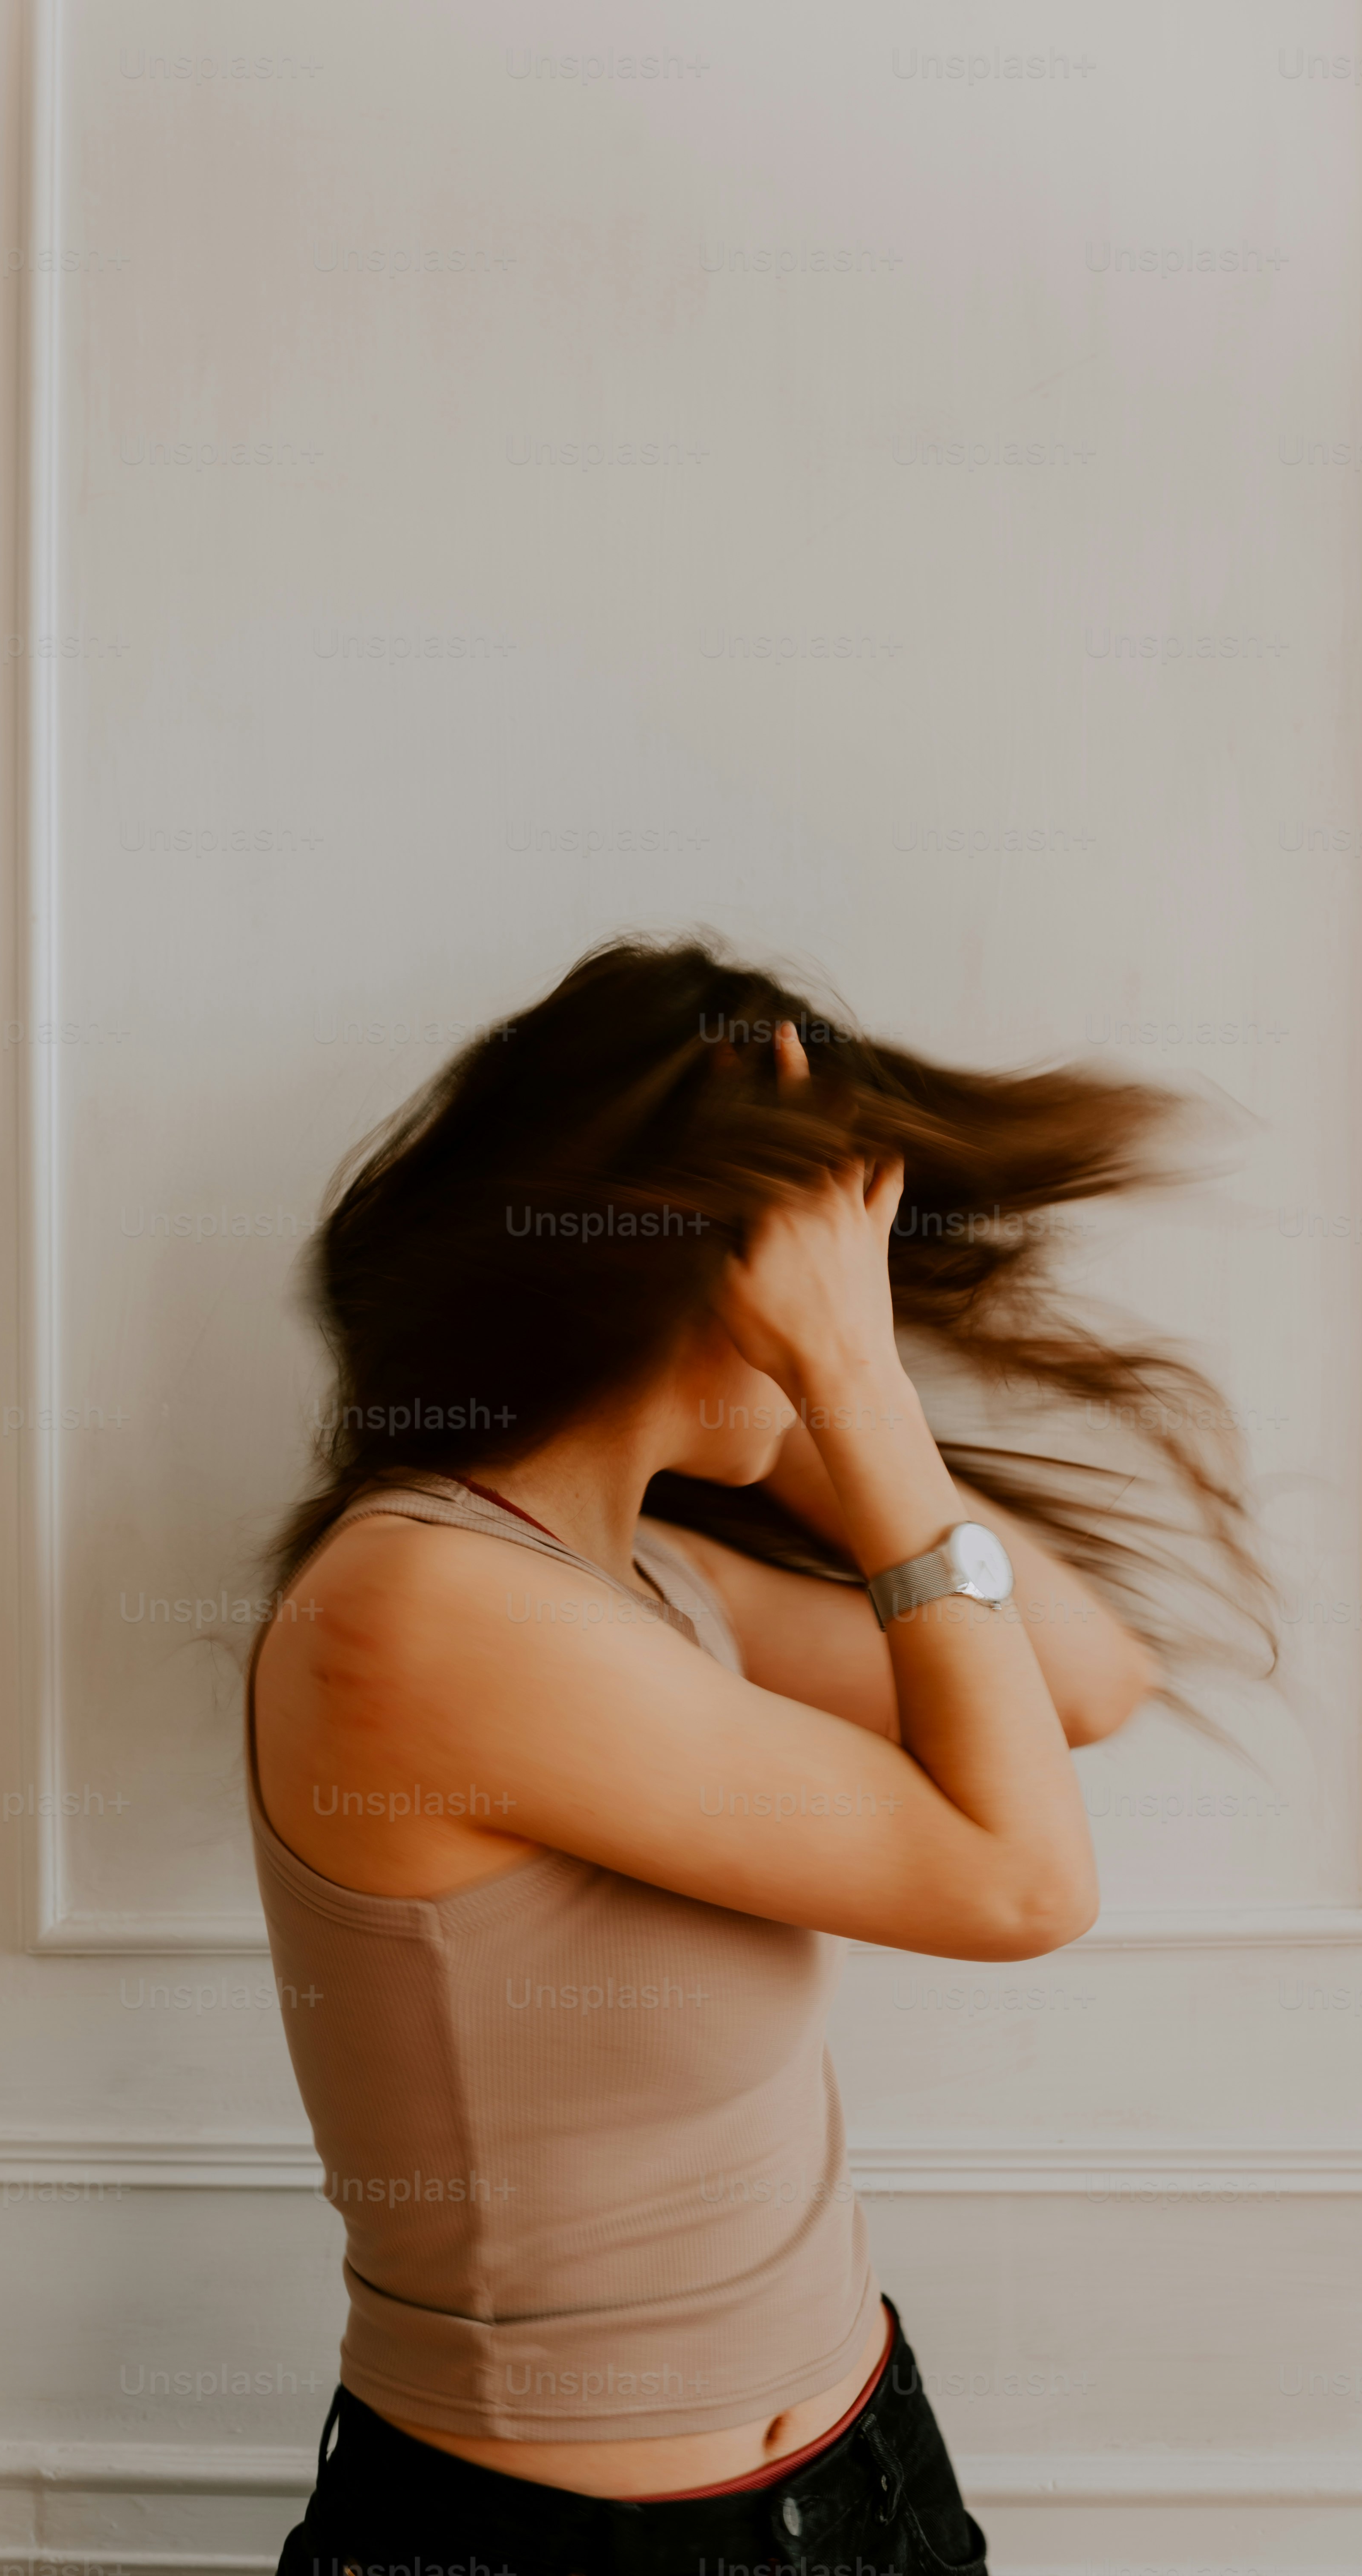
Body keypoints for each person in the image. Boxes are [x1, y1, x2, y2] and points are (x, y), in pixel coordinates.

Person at [248, 937, 1270, 2573]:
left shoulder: (651, 1579)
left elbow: (1086, 1674)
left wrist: (809, 1399)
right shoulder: (420, 1605)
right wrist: (844, 1384)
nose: (847, 1314)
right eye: (819, 1264)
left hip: (871, 2472)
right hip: (554, 2542)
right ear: (693, 1266)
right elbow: (1023, 1886)